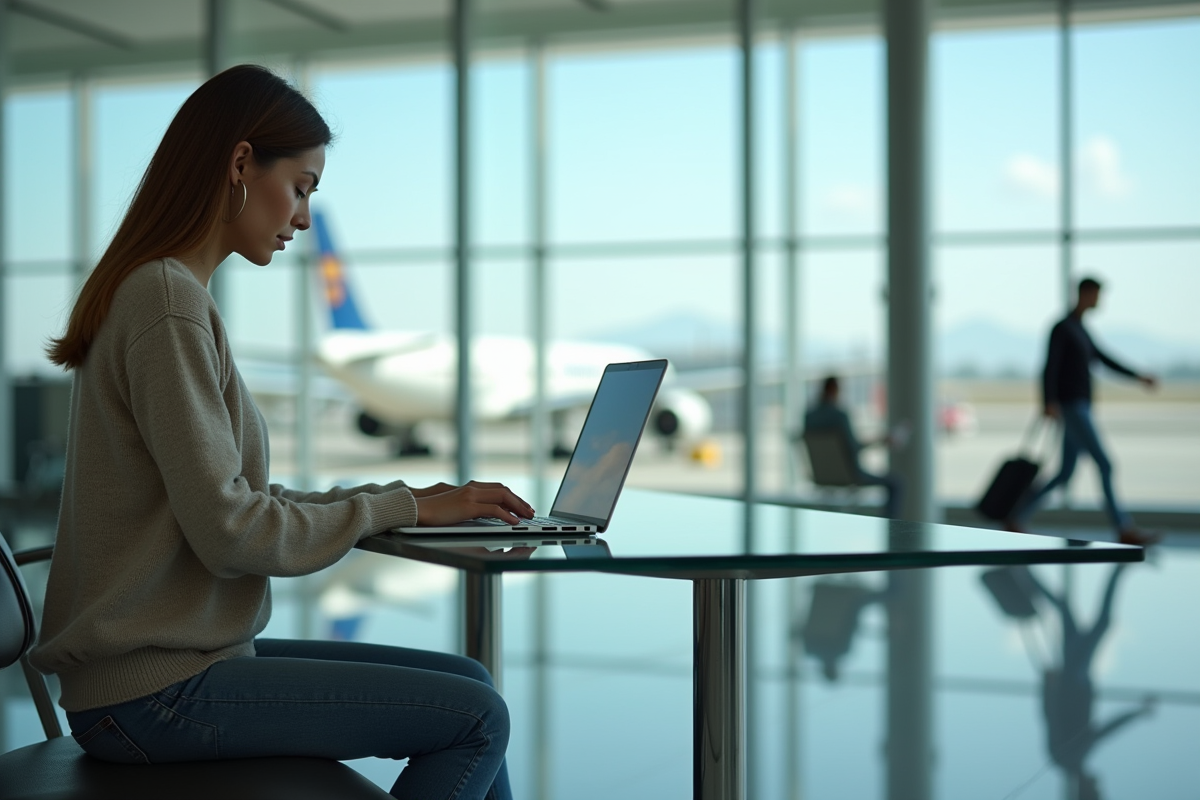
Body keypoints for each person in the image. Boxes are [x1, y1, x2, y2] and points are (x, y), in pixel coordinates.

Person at [29, 65, 534, 800]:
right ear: (240, 164)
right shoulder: (167, 302)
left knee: (468, 681)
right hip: (151, 695)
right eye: (300, 187)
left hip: (168, 668)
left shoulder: (167, 294)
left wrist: (409, 498)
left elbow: (233, 497)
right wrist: (397, 509)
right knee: (477, 717)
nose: (301, 217)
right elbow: (233, 531)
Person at [1007, 277, 1159, 547]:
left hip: (1080, 405)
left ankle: (1016, 517)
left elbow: (1104, 359)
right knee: (1105, 463)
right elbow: (1049, 366)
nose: (1099, 301)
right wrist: (1049, 401)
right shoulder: (1063, 328)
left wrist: (1138, 377)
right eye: (1097, 295)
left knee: (1065, 473)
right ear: (1085, 294)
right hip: (1072, 406)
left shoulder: (1080, 329)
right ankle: (1123, 528)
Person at [802, 375, 904, 519]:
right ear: (835, 390)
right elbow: (853, 447)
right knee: (896, 483)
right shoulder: (839, 416)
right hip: (849, 474)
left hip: (822, 475)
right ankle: (892, 531)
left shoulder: (809, 416)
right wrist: (882, 440)